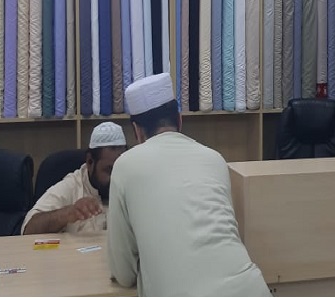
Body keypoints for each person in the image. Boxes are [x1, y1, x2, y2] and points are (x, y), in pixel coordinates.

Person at [107, 73, 270, 296]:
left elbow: (123, 274)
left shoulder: (125, 165)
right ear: (180, 120)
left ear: (137, 131)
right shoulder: (215, 159)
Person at [21, 122, 126, 235]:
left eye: (120, 170)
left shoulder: (130, 184)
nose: (116, 178)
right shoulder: (72, 186)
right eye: (109, 170)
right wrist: (68, 213)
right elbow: (29, 229)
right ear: (90, 162)